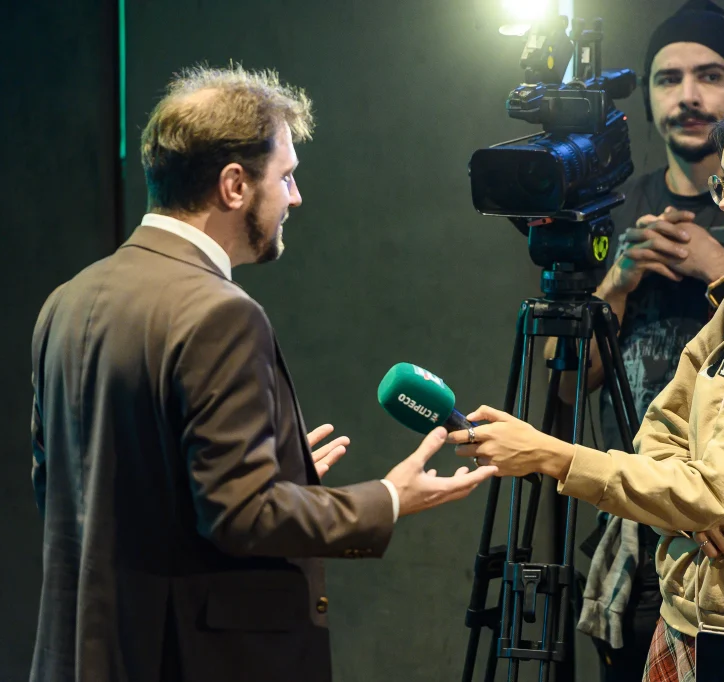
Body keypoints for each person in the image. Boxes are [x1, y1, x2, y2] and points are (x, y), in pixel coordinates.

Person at [28, 64, 496, 682]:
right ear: (234, 185)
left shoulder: (67, 300)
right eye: (286, 176)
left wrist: (275, 479)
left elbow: (66, 487)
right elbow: (240, 516)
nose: (295, 197)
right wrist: (387, 499)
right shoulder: (221, 312)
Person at [455, 95, 724, 682]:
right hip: (695, 610)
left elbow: (711, 488)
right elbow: (663, 423)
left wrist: (549, 455)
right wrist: (694, 510)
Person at [544, 1, 724, 676]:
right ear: (646, 98)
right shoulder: (610, 215)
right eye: (668, 79)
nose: (687, 96)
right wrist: (616, 284)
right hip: (637, 537)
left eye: (709, 75)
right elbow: (563, 382)